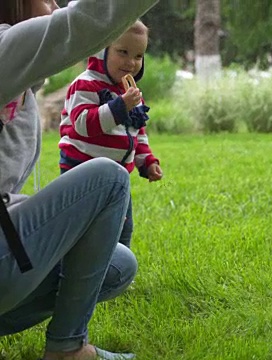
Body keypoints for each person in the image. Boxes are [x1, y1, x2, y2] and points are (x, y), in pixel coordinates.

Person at [0, 1, 158, 359]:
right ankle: (68, 348)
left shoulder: (15, 75)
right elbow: (84, 22)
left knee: (118, 264)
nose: (55, 6)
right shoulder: (2, 51)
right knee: (109, 177)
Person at [59, 20, 163, 249]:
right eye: (123, 52)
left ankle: (117, 274)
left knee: (122, 228)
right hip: (81, 175)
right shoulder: (86, 85)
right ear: (102, 49)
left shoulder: (131, 93)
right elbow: (83, 125)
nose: (131, 62)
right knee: (84, 231)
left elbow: (138, 133)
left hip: (119, 179)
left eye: (138, 56)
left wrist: (147, 162)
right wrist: (119, 106)